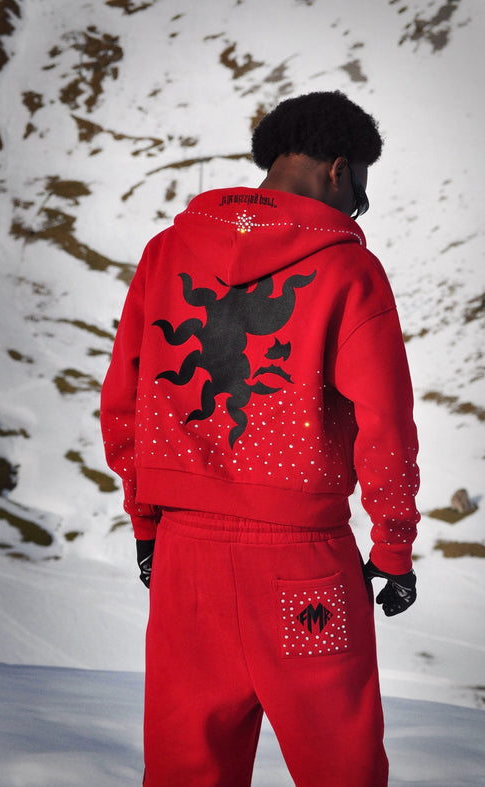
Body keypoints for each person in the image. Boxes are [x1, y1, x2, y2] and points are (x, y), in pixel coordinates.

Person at [101, 90, 420, 787]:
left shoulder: (166, 252)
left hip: (184, 558)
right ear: (339, 170)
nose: (358, 205)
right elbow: (385, 421)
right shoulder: (348, 269)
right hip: (302, 562)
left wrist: (148, 522)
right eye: (360, 187)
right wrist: (393, 546)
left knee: (185, 767)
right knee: (341, 767)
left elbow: (126, 397)